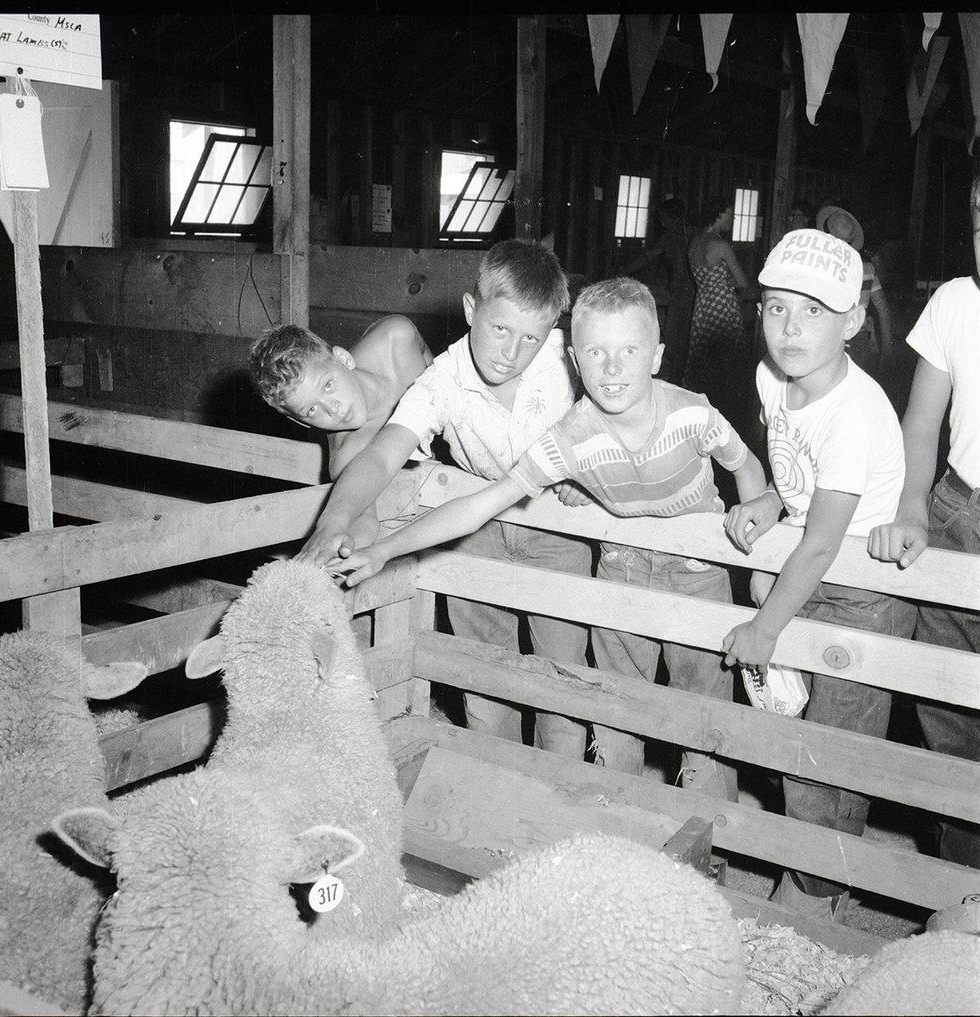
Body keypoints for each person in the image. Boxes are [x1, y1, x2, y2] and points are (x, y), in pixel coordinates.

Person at [335, 277, 768, 800]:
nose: (611, 369)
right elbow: (480, 505)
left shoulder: (693, 414)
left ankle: (716, 839)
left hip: (698, 575)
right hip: (618, 570)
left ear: (656, 357)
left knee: (703, 709)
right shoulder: (568, 440)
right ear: (574, 360)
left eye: (629, 351)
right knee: (614, 709)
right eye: (595, 353)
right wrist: (382, 549)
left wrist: (759, 539)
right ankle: (612, 822)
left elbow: (745, 467)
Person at [303, 239, 593, 757]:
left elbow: (622, 412)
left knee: (561, 681)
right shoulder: (439, 383)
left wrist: (586, 468)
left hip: (558, 533)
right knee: (480, 674)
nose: (511, 353)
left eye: (532, 337)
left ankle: (558, 803)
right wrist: (336, 519)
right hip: (473, 531)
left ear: (553, 331)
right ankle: (488, 787)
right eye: (499, 329)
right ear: (470, 309)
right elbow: (382, 456)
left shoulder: (568, 359)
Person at [722, 228, 917, 921]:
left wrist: (766, 624)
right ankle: (807, 871)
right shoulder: (770, 378)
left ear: (855, 321)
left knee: (839, 754)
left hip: (860, 593)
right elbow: (792, 473)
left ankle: (816, 891)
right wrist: (770, 497)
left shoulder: (856, 415)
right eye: (775, 307)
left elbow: (823, 541)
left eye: (812, 311)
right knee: (793, 736)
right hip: (808, 574)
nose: (789, 328)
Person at [867, 167, 980, 869]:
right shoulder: (954, 302)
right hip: (957, 510)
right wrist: (912, 505)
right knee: (947, 709)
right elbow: (919, 423)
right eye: (977, 217)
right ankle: (961, 878)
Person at [249, 315, 433, 551]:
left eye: (328, 385)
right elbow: (365, 524)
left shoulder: (396, 338)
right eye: (312, 409)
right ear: (302, 423)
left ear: (344, 359)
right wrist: (336, 553)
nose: (333, 408)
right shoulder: (347, 458)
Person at [683, 195, 755, 440]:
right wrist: (730, 283)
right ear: (719, 215)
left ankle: (702, 411)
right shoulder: (721, 245)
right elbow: (743, 282)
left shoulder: (694, 243)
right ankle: (727, 414)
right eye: (730, 214)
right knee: (728, 358)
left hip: (703, 305)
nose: (733, 218)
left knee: (705, 357)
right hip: (723, 305)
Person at [621, 197, 696, 385]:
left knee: (678, 340)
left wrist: (622, 271)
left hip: (688, 293)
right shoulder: (670, 237)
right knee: (674, 337)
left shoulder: (690, 236)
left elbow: (647, 257)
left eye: (665, 219)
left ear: (674, 218)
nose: (662, 223)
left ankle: (679, 380)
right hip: (679, 292)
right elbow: (649, 257)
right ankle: (678, 377)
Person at [816, 204, 894, 380]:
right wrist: (887, 353)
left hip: (828, 338)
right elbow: (884, 309)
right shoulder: (867, 268)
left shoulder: (822, 267)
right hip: (858, 339)